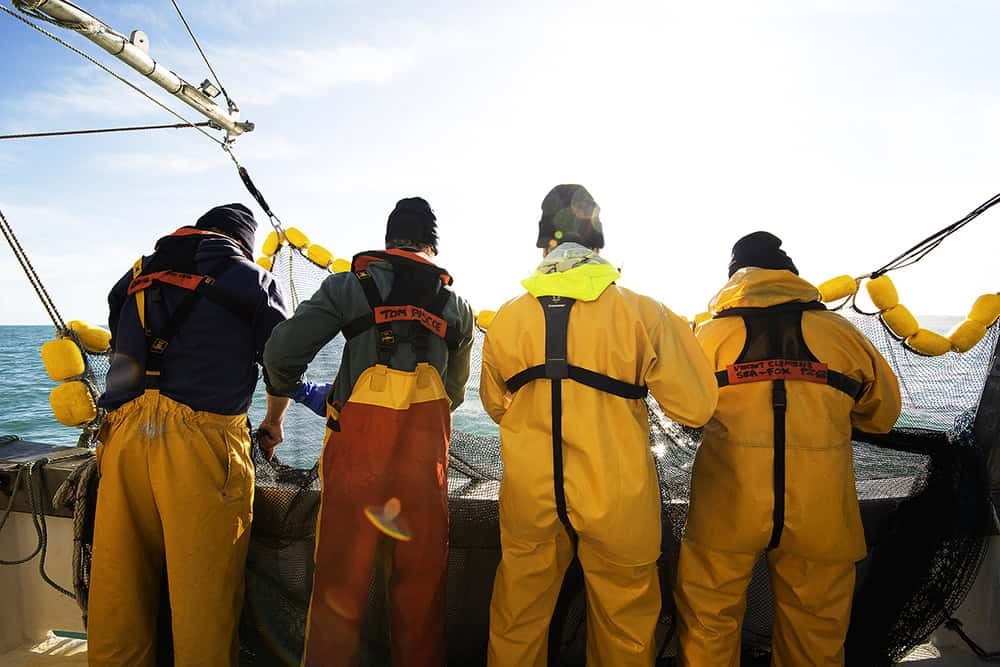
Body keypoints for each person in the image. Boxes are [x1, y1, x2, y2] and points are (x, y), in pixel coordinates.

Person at [480, 184, 719, 667]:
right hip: (618, 500)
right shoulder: (643, 312)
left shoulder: (507, 318)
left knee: (517, 617)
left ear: (543, 243)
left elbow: (495, 405)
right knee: (624, 625)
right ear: (599, 244)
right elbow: (695, 408)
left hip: (531, 496)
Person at [263, 196, 475, 666]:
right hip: (425, 466)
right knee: (422, 583)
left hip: (357, 458)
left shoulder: (348, 286)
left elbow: (279, 355)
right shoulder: (457, 306)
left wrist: (303, 391)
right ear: (431, 247)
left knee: (340, 582)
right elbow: (454, 394)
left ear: (388, 241)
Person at [674, 231, 902, 667]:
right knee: (816, 634)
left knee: (709, 623)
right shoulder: (842, 334)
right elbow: (883, 415)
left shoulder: (708, 336)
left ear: (733, 279)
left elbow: (685, 412)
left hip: (728, 507)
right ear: (792, 276)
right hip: (821, 511)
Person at [88, 203, 290, 666]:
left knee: (117, 588)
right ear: (242, 241)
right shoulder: (253, 278)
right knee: (205, 595)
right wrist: (273, 420)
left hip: (122, 437)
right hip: (202, 442)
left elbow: (120, 333)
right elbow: (282, 361)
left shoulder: (136, 274)